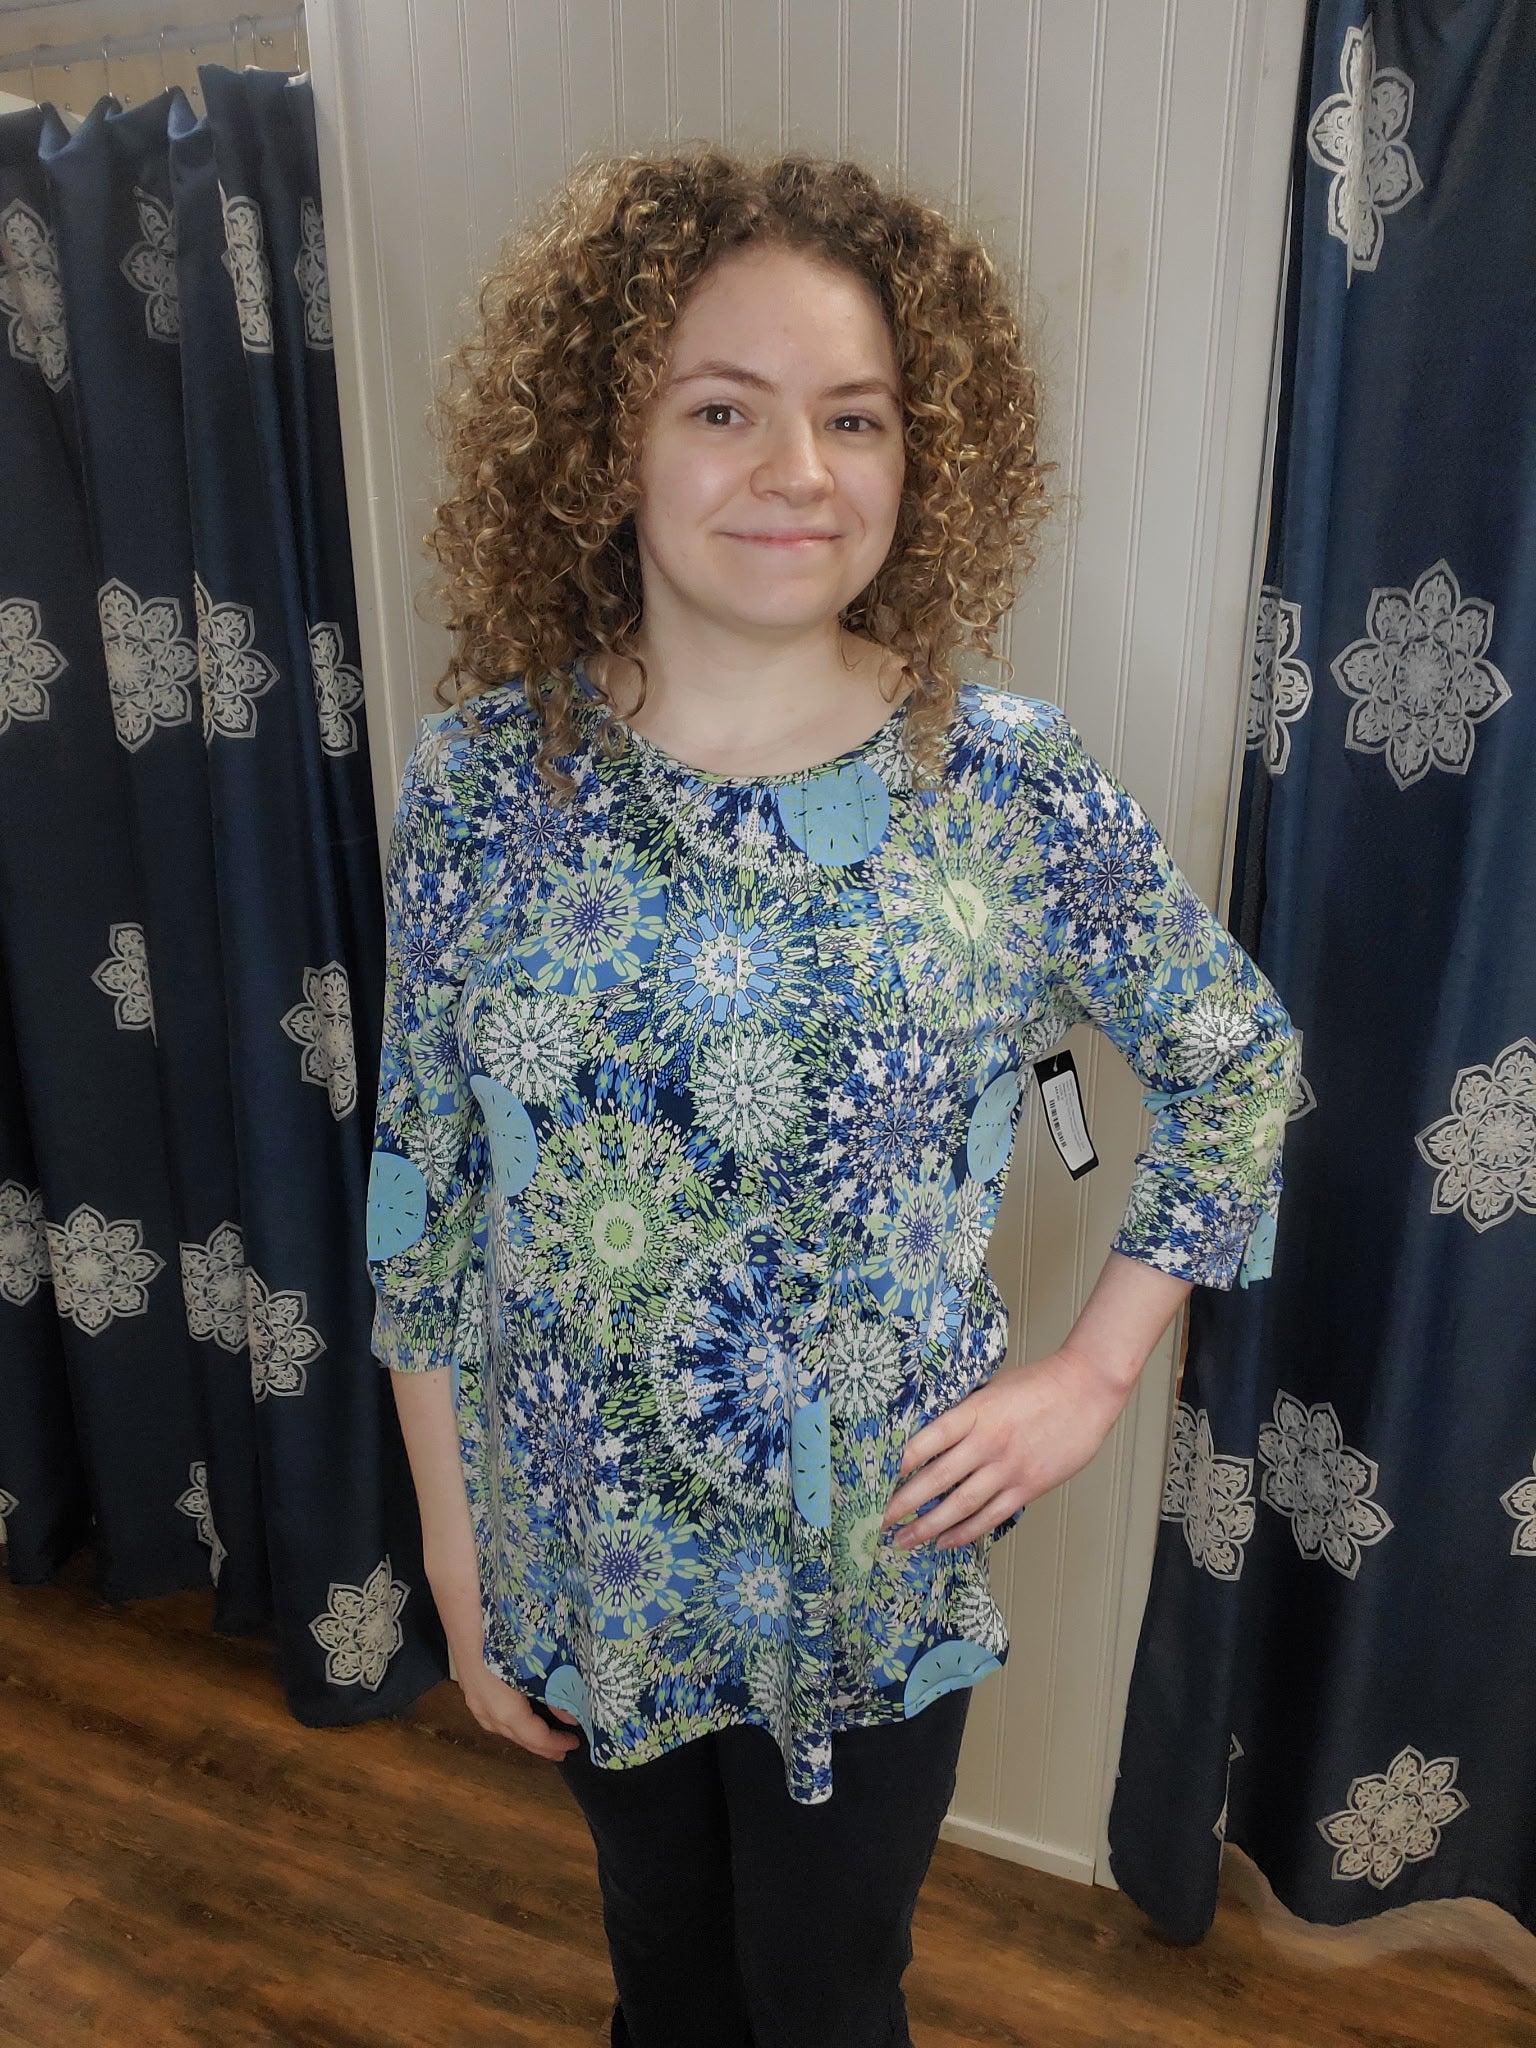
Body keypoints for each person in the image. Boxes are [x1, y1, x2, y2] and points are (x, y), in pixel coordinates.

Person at [365, 145, 1299, 2048]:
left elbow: (1238, 1064)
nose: (798, 469)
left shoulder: (1009, 786)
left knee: (822, 1996)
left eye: (854, 417)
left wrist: (1089, 1373)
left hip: (867, 1574)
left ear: (917, 457)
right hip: (585, 1558)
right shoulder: (480, 788)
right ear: (605, 446)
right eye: (723, 408)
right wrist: (459, 1561)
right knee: (663, 1979)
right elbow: (423, 1197)